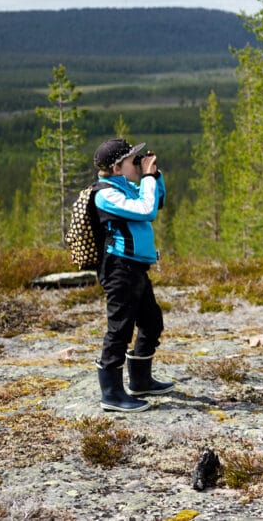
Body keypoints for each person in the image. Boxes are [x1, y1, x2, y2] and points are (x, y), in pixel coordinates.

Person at [91, 138, 173, 412]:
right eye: (131, 161)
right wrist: (147, 176)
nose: (136, 164)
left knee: (151, 322)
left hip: (135, 268)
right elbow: (146, 210)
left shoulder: (124, 187)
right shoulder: (106, 195)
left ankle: (140, 380)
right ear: (116, 168)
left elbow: (156, 202)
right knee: (120, 329)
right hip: (118, 269)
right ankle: (112, 394)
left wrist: (155, 176)